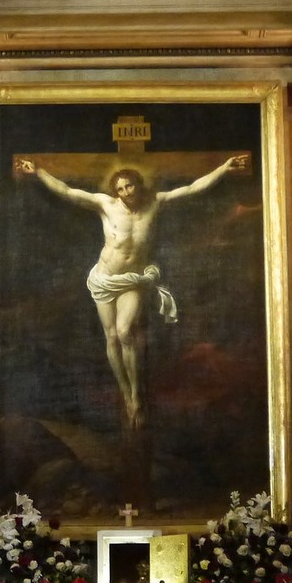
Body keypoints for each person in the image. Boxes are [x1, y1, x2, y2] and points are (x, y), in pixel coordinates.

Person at [15, 153, 249, 430]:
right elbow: (67, 191)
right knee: (112, 336)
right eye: (120, 189)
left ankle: (136, 394)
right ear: (115, 191)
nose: (126, 192)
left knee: (125, 331)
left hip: (133, 279)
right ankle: (125, 392)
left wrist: (223, 168)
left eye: (129, 186)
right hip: (104, 279)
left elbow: (192, 188)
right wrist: (39, 172)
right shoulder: (106, 204)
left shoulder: (155, 202)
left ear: (138, 185)